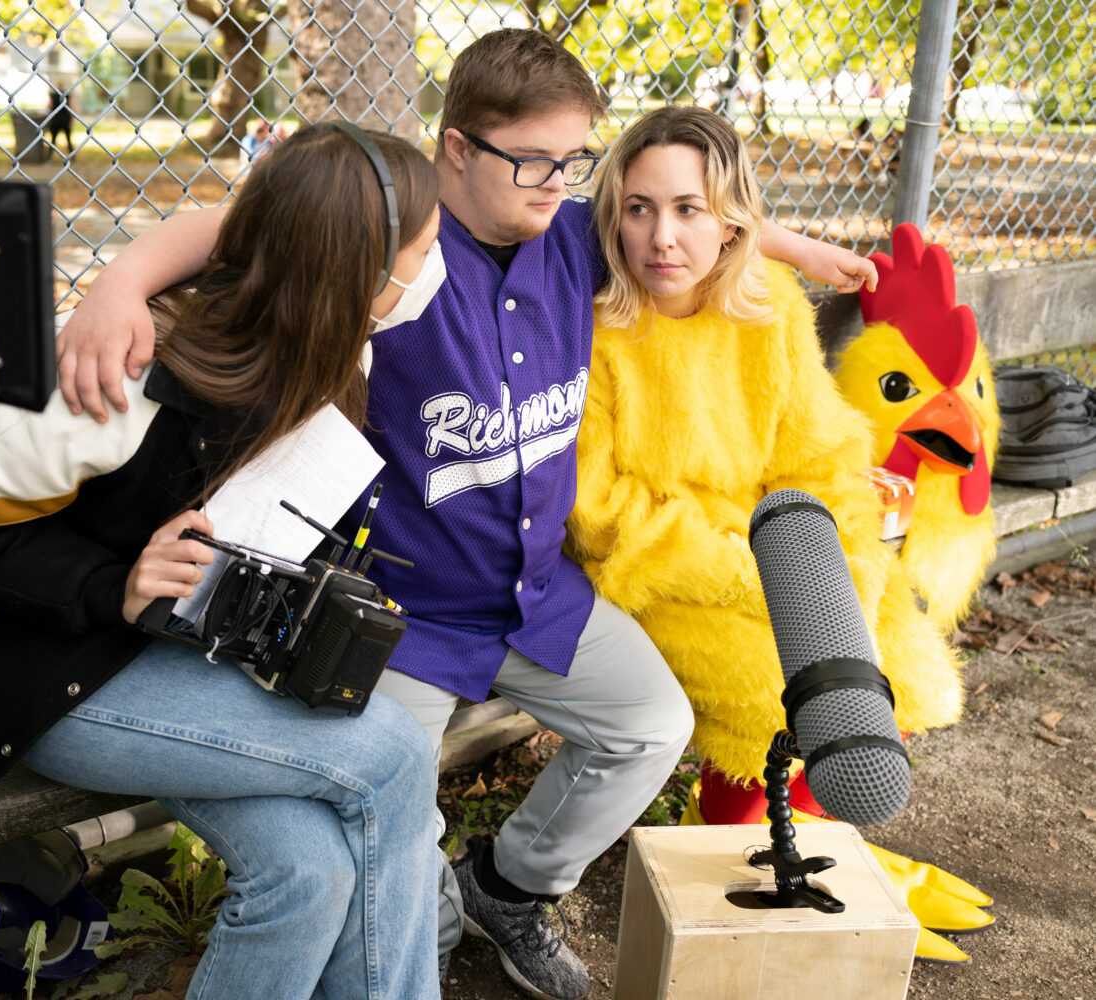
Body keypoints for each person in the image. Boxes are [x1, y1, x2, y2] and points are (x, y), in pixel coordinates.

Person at [53, 31, 877, 1000]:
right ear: (455, 149)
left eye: (573, 162)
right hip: (399, 610)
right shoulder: (394, 250)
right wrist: (116, 280)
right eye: (534, 161)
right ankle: (426, 919)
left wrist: (790, 241)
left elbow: (682, 219)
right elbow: (236, 223)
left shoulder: (569, 234)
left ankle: (507, 887)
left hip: (536, 594)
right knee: (393, 814)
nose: (557, 183)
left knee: (650, 724)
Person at [0, 123, 444, 1000]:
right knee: (392, 757)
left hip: (186, 655)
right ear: (359, 273)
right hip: (54, 667)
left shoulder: (329, 315)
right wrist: (113, 586)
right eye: (420, 250)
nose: (431, 265)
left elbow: (257, 224)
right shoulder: (119, 382)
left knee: (308, 874)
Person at [564, 105, 988, 963]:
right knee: (777, 686)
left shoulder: (767, 309)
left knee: (892, 663)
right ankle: (754, 841)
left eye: (688, 209)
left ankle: (824, 841)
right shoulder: (593, 324)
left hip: (775, 545)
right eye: (638, 208)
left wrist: (836, 559)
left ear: (732, 222)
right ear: (612, 213)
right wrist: (751, 570)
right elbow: (601, 512)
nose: (660, 238)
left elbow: (821, 453)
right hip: (662, 567)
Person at [45, 86, 75, 154]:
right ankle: (72, 156)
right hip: (65, 120)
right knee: (68, 139)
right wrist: (72, 121)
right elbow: (72, 108)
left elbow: (49, 107)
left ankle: (49, 157)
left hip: (56, 119)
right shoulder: (68, 96)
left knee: (53, 139)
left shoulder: (53, 96)